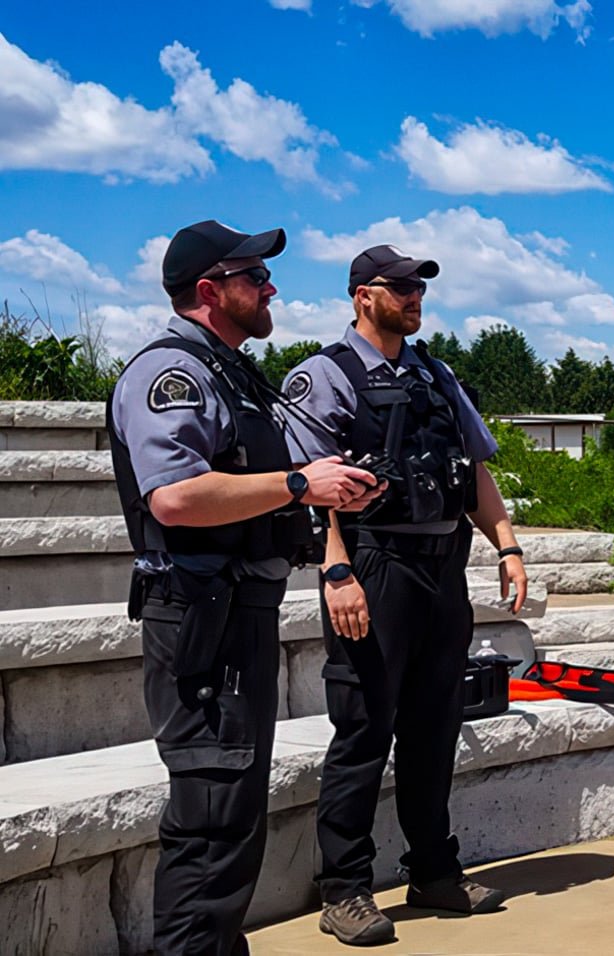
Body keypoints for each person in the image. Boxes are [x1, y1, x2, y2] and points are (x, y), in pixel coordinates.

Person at [107, 220, 382, 956]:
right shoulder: (173, 374)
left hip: (237, 616)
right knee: (210, 821)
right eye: (254, 277)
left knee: (231, 822)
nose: (270, 288)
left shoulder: (230, 372)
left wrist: (320, 494)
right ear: (209, 291)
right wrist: (300, 480)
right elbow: (173, 497)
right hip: (203, 624)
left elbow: (248, 487)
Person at [282, 244, 529, 946]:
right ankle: (346, 890)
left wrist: (506, 544)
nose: (416, 296)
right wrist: (337, 572)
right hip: (373, 561)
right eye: (401, 287)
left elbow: (472, 467)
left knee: (434, 725)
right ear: (364, 295)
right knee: (364, 729)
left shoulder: (435, 372)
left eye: (420, 286)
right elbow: (310, 482)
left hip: (441, 565)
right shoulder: (325, 376)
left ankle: (433, 872)